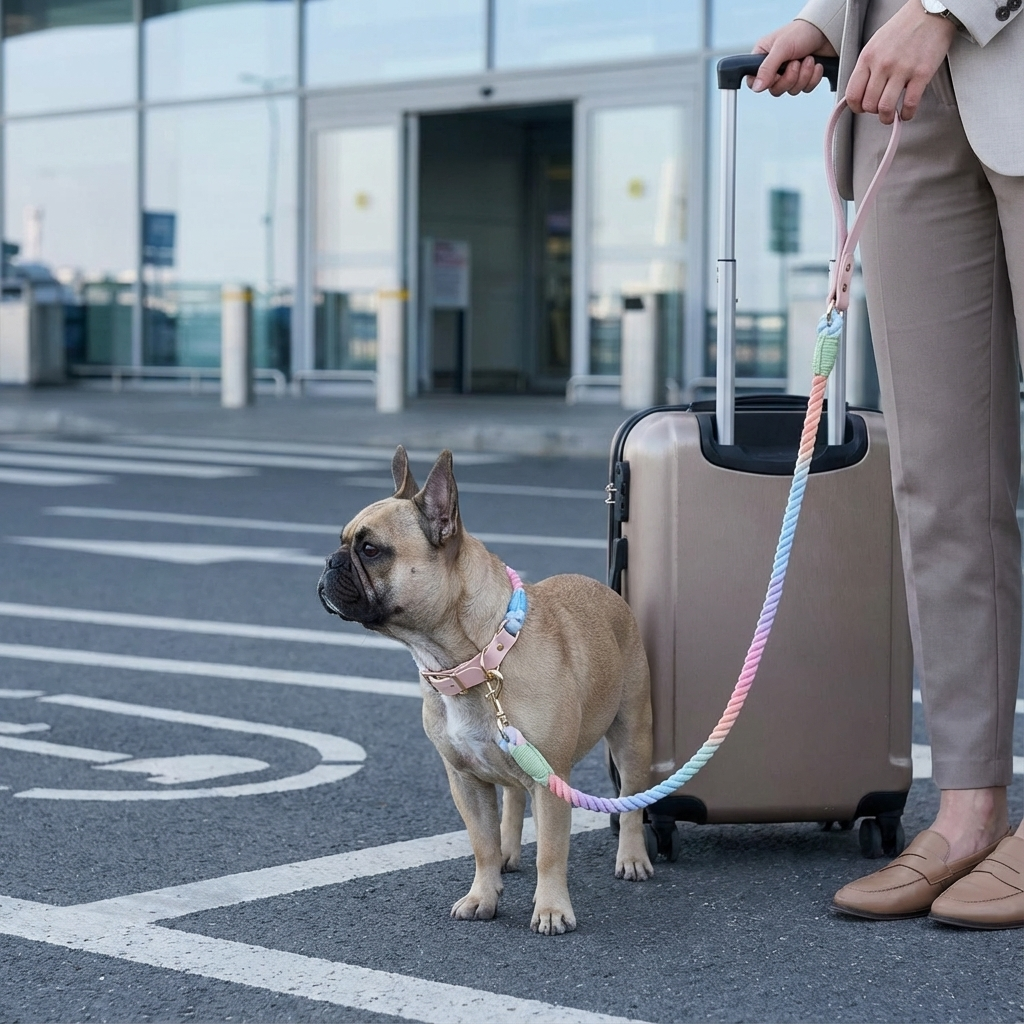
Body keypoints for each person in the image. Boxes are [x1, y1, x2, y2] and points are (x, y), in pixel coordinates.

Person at [750, 0, 1023, 928]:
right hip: (900, 99)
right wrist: (831, 19)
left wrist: (946, 9)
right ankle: (969, 807)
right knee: (940, 480)